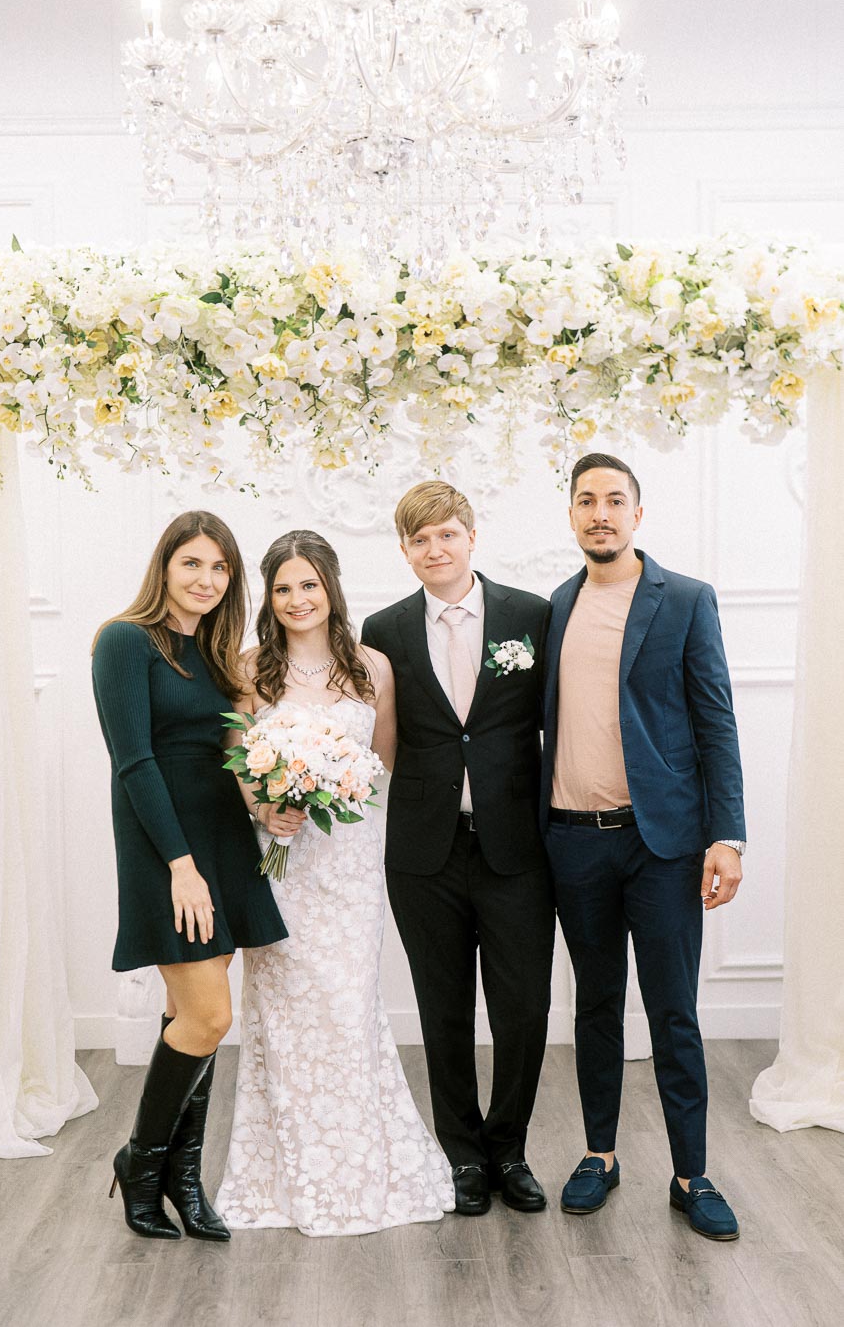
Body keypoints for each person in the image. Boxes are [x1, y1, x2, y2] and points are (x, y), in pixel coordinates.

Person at [215, 530, 454, 1236]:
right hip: (280, 861)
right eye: (284, 588)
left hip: (349, 865)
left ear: (331, 587)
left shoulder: (372, 667)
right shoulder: (248, 669)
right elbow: (235, 765)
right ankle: (286, 1173)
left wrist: (332, 786)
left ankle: (363, 1166)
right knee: (284, 1015)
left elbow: (380, 767)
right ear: (270, 596)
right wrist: (268, 805)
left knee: (349, 1009)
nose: (297, 600)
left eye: (309, 585)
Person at [541, 453, 745, 1241]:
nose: (601, 513)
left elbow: (716, 722)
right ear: (570, 515)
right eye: (586, 501)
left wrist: (726, 835)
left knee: (673, 1013)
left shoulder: (686, 600)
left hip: (662, 845)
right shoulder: (555, 606)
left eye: (614, 500)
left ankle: (692, 1174)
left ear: (637, 513)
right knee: (594, 1007)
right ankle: (599, 1154)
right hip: (573, 843)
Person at [92, 511, 288, 1242]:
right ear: (164, 568)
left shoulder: (216, 655)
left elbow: (233, 753)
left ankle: (181, 1176)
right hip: (166, 848)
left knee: (190, 1020)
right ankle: (141, 1162)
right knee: (209, 1017)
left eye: (220, 569)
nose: (206, 581)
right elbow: (133, 761)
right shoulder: (124, 641)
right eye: (192, 565)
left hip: (225, 842)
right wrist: (180, 866)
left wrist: (274, 802)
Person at [361, 482, 555, 1217]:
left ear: (471, 536)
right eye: (419, 540)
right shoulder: (382, 631)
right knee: (444, 1012)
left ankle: (510, 1148)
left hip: (516, 850)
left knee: (523, 1010)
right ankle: (463, 1156)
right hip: (423, 853)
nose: (434, 550)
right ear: (405, 551)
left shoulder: (530, 616)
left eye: (446, 535)